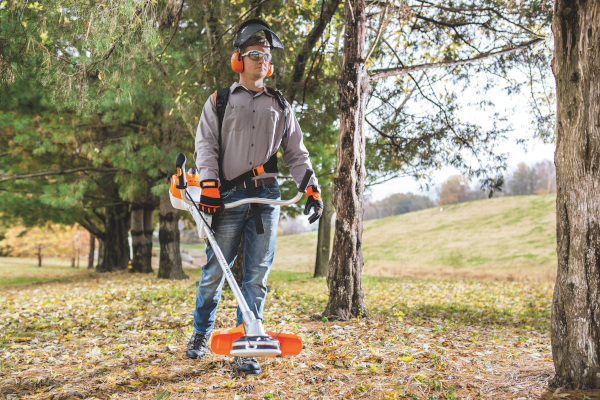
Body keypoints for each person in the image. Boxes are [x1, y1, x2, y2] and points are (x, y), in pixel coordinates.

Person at [186, 19, 323, 375]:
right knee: (216, 270)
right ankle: (201, 333)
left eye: (266, 56)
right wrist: (210, 185)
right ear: (239, 60)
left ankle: (248, 344)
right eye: (254, 54)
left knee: (257, 273)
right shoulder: (219, 101)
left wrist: (311, 187)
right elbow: (206, 146)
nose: (261, 60)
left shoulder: (280, 104)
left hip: (266, 195)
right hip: (227, 195)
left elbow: (296, 153)